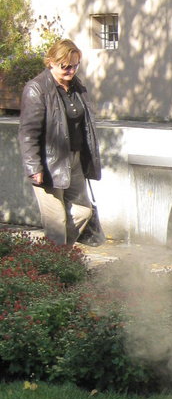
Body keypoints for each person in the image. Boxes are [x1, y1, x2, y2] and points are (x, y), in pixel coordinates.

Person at [18, 37, 101, 247]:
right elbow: (28, 133)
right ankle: (55, 272)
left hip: (74, 161)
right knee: (56, 223)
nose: (71, 71)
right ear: (51, 62)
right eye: (65, 66)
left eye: (75, 66)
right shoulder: (37, 89)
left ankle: (57, 254)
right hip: (48, 164)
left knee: (83, 211)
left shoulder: (76, 87)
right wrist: (34, 167)